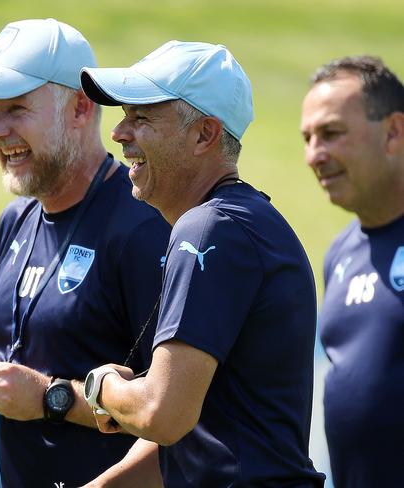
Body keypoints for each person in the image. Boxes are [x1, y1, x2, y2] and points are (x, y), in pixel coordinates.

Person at [78, 41, 326, 487]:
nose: (118, 133)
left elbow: (162, 413)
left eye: (142, 117)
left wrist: (103, 387)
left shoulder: (211, 228)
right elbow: (198, 434)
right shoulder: (233, 222)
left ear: (204, 135)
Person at [0, 19, 170, 487]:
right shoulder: (16, 221)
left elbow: (177, 413)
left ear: (81, 108)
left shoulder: (141, 228)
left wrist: (48, 398)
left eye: (17, 110)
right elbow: (46, 356)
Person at [300, 56, 404, 487]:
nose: (313, 156)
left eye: (331, 134)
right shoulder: (340, 251)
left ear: (394, 132)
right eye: (307, 139)